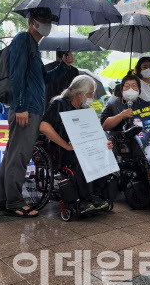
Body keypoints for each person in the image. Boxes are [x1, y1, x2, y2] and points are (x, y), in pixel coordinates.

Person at [0, 7, 72, 217]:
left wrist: (63, 66)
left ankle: (3, 200)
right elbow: (16, 75)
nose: (47, 23)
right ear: (32, 21)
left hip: (32, 109)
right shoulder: (23, 40)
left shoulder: (34, 48)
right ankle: (14, 202)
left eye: (49, 19)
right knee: (19, 156)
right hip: (26, 110)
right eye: (43, 19)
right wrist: (20, 107)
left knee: (13, 155)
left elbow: (44, 80)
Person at [40, 75, 111, 212]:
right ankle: (85, 197)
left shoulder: (85, 109)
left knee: (103, 153)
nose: (91, 96)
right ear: (80, 94)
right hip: (61, 149)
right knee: (82, 157)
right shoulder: (60, 104)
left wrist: (105, 143)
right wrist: (66, 145)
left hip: (82, 147)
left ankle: (97, 194)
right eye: (90, 93)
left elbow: (95, 132)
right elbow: (44, 127)